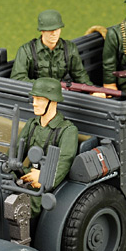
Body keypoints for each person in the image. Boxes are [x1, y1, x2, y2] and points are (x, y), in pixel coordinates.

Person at [17, 77, 78, 217]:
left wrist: (44, 177)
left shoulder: (67, 130)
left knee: (19, 209)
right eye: (34, 98)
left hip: (47, 189)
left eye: (39, 99)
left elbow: (64, 161)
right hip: (27, 177)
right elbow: (16, 150)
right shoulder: (32, 124)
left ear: (53, 101)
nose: (34, 103)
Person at [11, 10, 96, 86]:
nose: (54, 33)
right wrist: (44, 86)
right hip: (37, 94)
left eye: (57, 29)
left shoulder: (70, 49)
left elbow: (80, 75)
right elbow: (18, 78)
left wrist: (91, 91)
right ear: (42, 31)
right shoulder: (26, 51)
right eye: (50, 30)